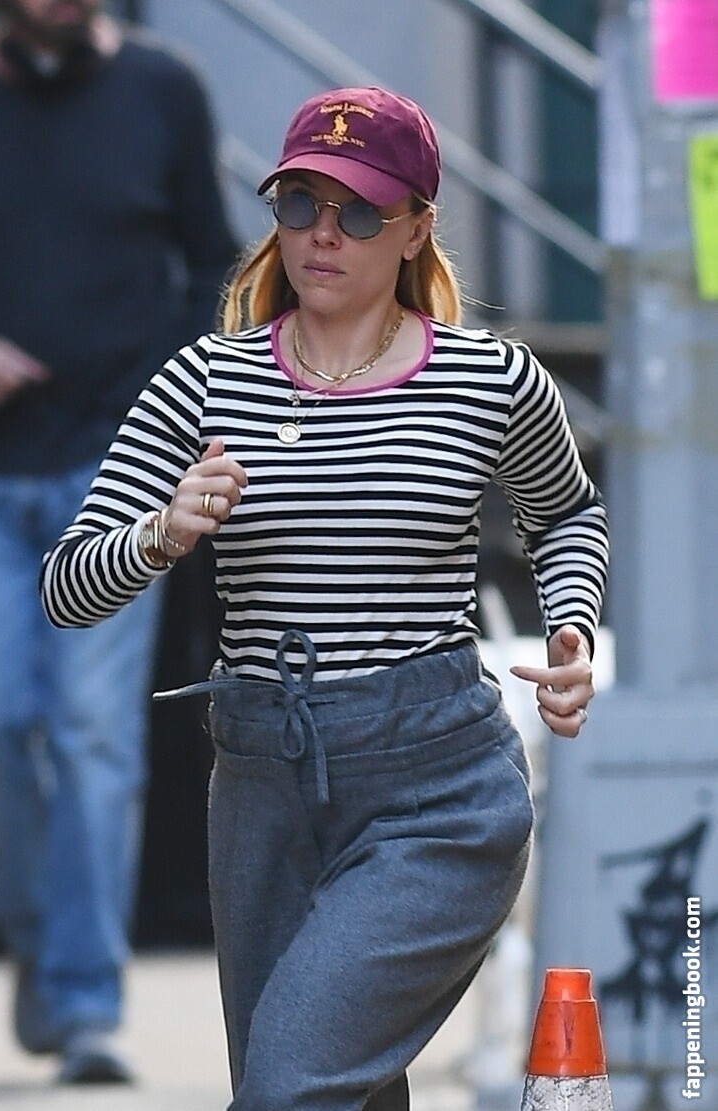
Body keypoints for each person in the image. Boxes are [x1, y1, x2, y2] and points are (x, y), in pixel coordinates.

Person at [40, 85, 609, 1109]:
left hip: (435, 788)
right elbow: (66, 588)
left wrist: (570, 622)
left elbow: (565, 513)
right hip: (261, 785)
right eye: (300, 203)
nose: (323, 233)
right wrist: (163, 531)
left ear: (416, 228)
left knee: (288, 1087)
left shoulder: (491, 381)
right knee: (334, 1092)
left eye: (359, 211)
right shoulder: (203, 381)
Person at [0, 0, 239, 1085]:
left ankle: (84, 1003)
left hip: (115, 476)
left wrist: (172, 418)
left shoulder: (163, 88)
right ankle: (41, 938)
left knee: (93, 735)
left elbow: (216, 270)